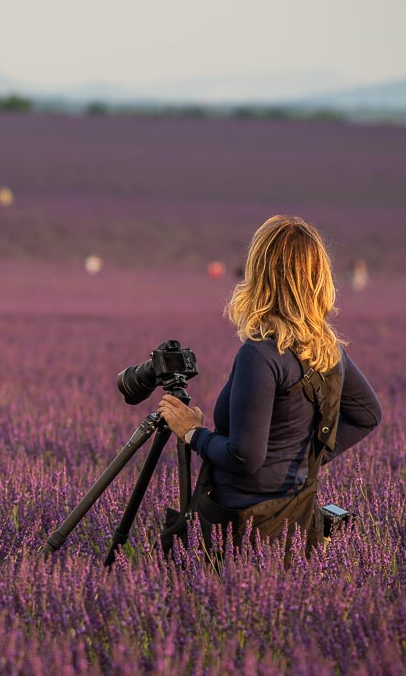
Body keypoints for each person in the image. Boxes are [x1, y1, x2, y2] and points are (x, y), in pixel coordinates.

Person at [158, 215, 382, 557]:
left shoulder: (260, 354)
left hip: (240, 528)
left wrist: (193, 433)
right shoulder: (328, 351)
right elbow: (368, 415)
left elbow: (244, 457)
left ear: (261, 275)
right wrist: (304, 461)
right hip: (296, 521)